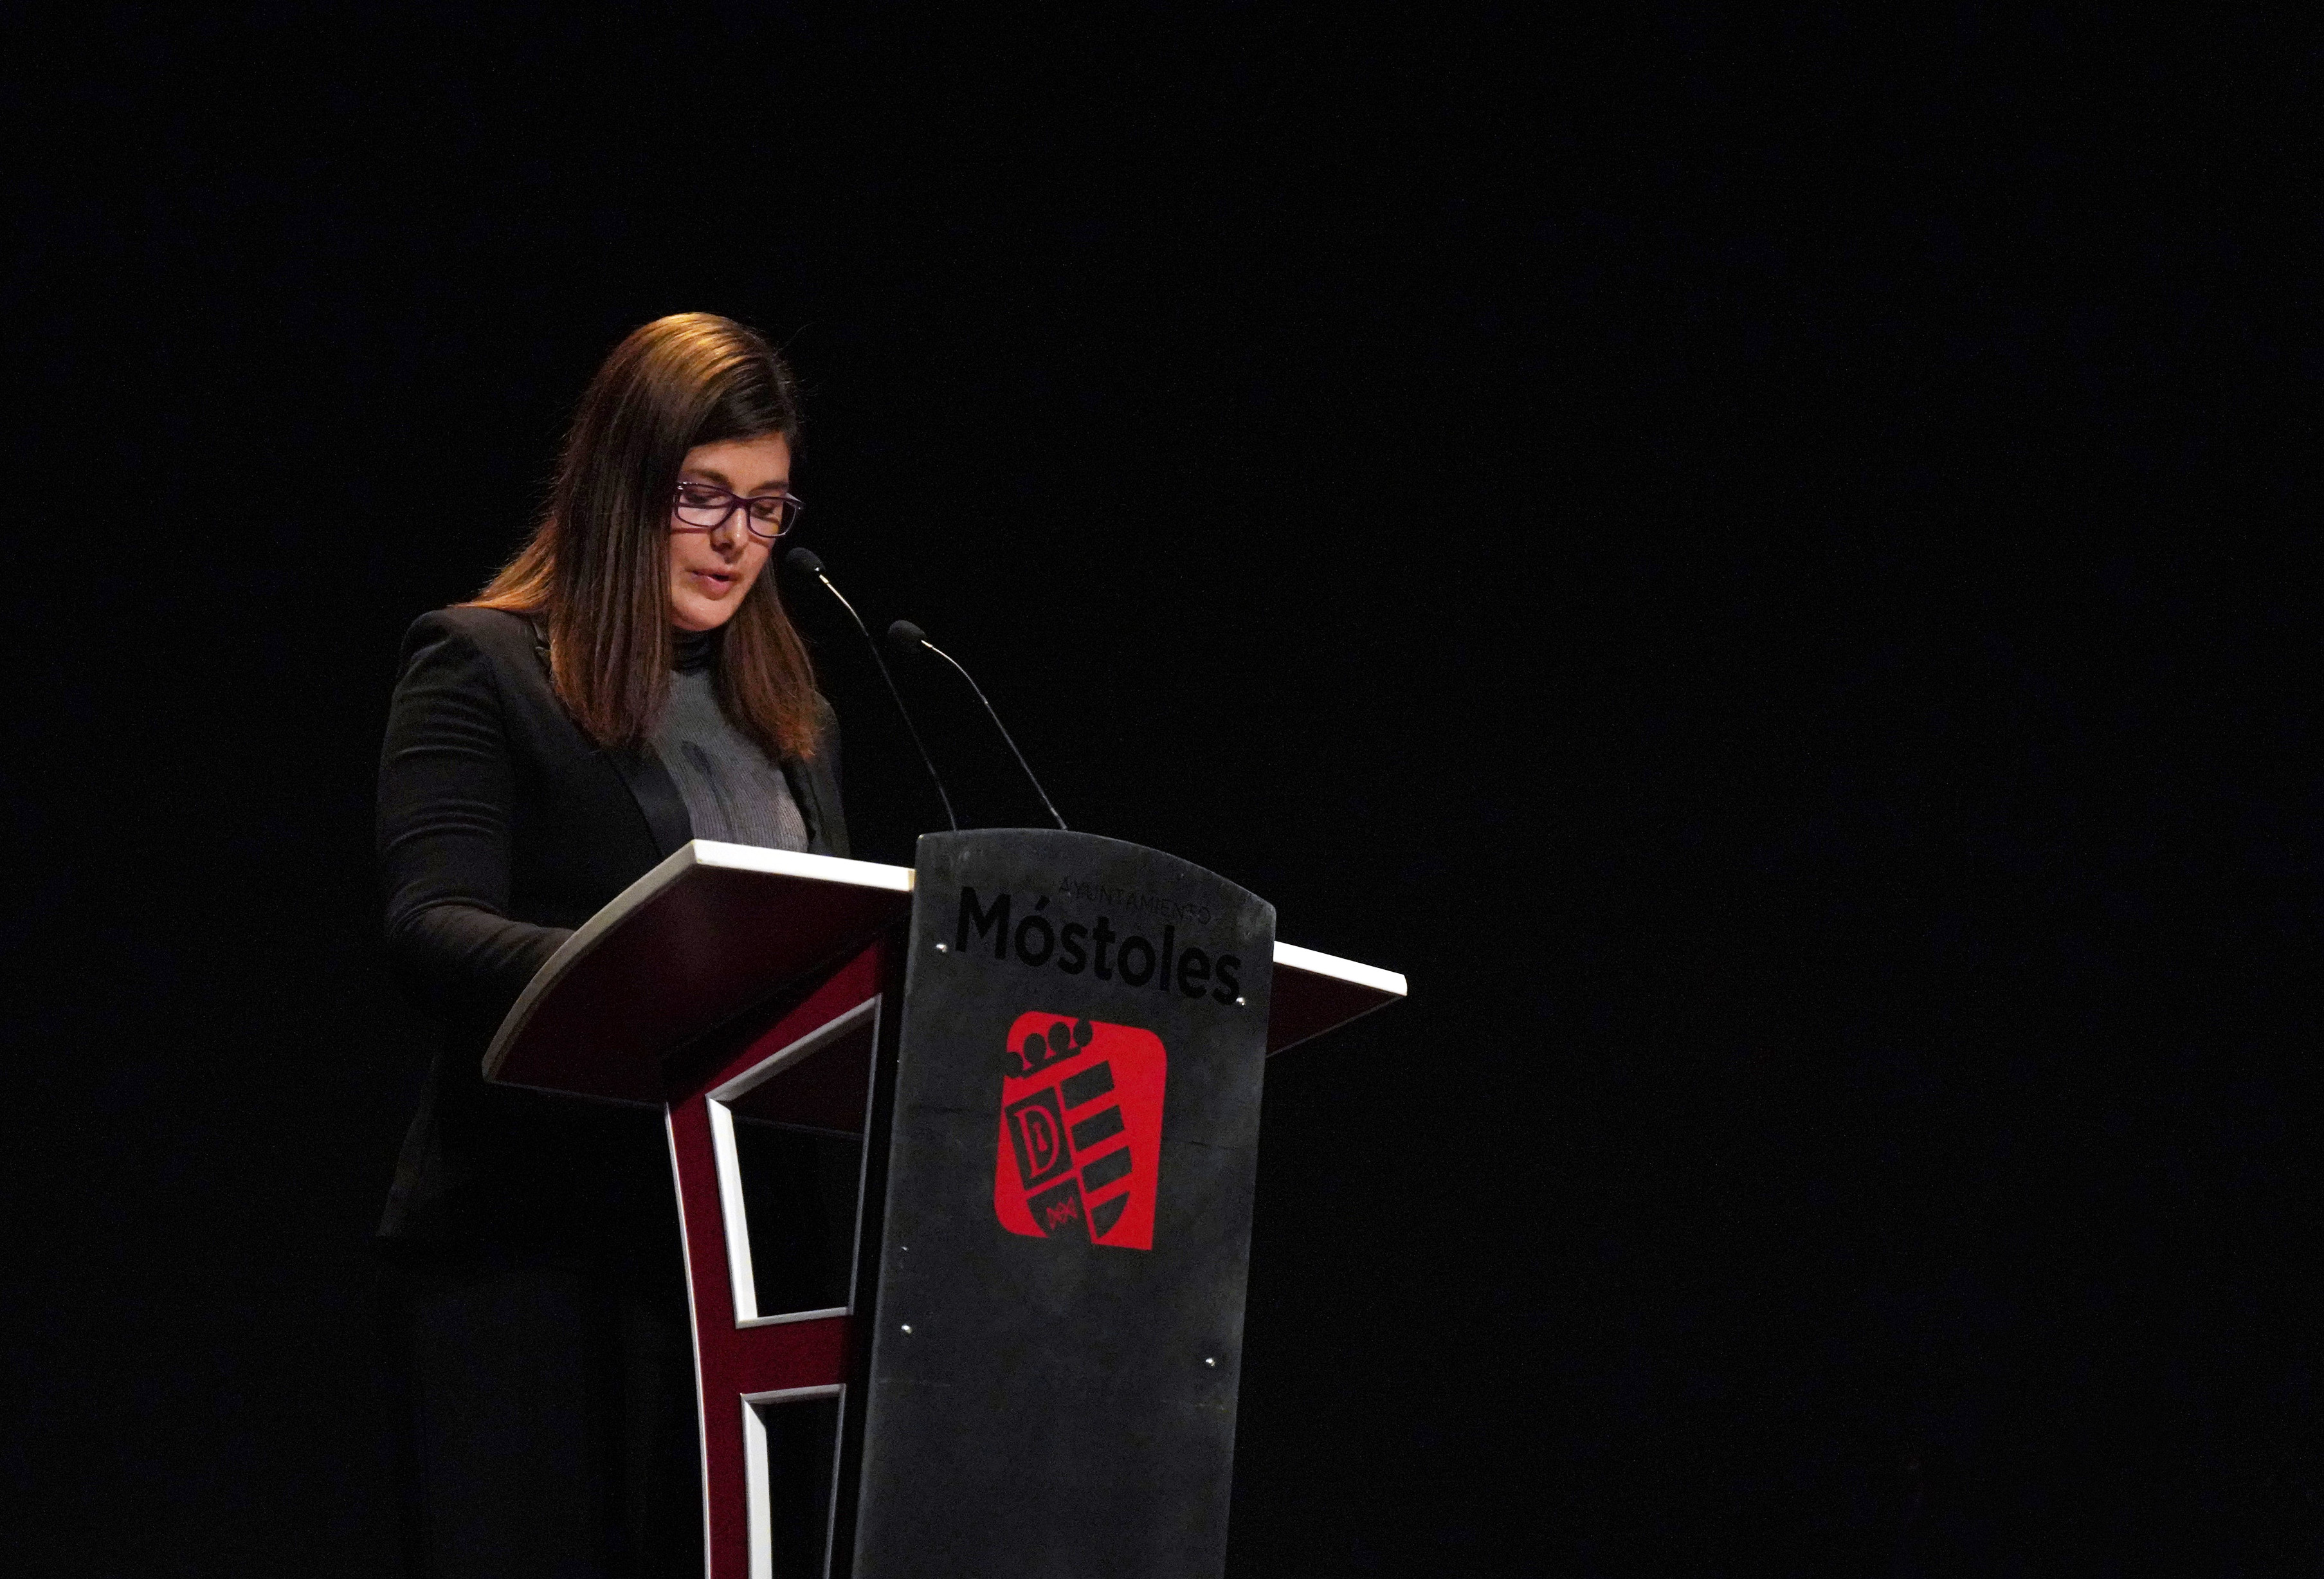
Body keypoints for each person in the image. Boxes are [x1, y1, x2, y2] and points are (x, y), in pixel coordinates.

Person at [372, 313, 845, 1576]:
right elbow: (430, 926)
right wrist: (658, 978)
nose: (736, 539)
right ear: (621, 484)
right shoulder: (485, 665)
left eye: (766, 506)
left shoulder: (793, 721)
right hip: (539, 1250)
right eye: (702, 497)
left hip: (749, 1268)